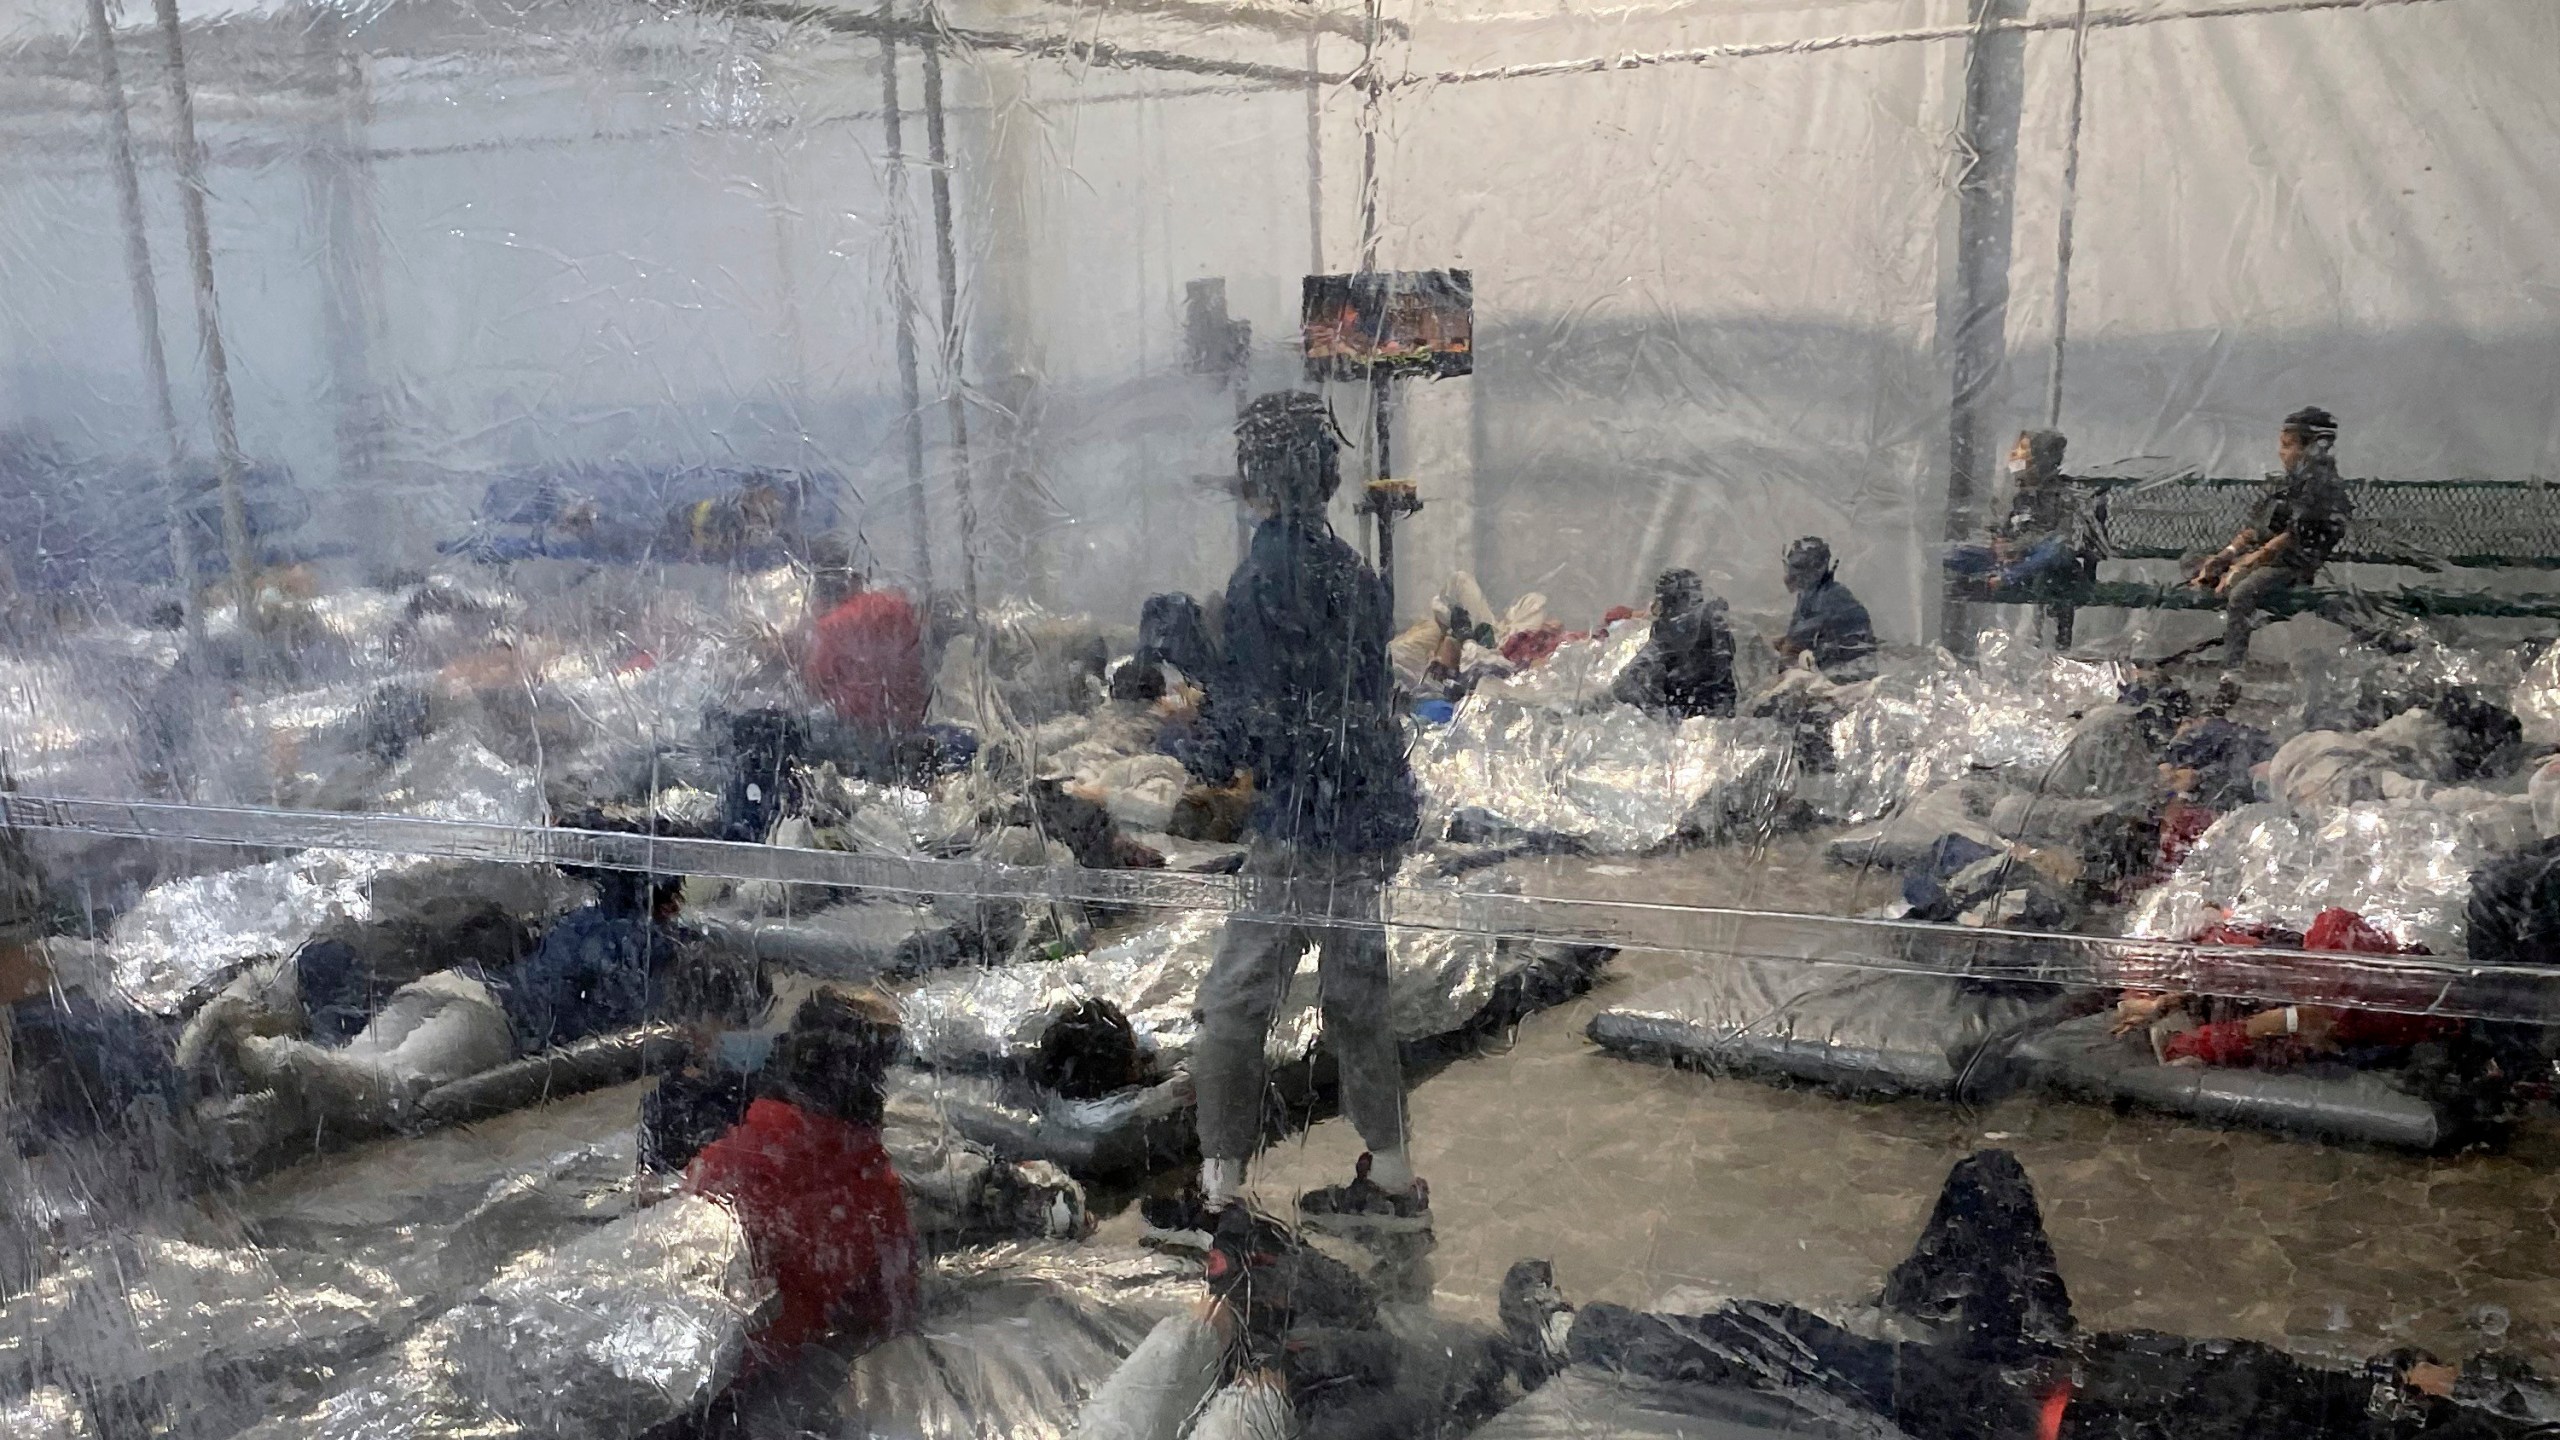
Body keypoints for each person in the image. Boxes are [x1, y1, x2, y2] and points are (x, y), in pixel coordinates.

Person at [1527, 1149, 2541, 1440]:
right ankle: (1907, 1311)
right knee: (1990, 1177)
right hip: (2065, 1361)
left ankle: (1566, 1332)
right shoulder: (2393, 1405)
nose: (2433, 1373)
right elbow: (2425, 1377)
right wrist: (2397, 1383)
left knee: (1771, 1340)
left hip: (2015, 1414)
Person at [1165, 390, 1427, 1240]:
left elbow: (1252, 721)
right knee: (1358, 996)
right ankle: (1390, 1176)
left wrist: (1191, 748)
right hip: (1363, 814)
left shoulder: (1263, 575)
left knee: (1235, 1003)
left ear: (1256, 475)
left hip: (1303, 821)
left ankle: (1220, 1193)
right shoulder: (1352, 569)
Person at [233, 872, 700, 1131]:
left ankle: (259, 1102)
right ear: (668, 903)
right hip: (495, 1021)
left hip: (458, 983)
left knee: (353, 1066)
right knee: (389, 1086)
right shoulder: (640, 947)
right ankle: (280, 1062)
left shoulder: (579, 920)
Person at [684, 988, 919, 1366]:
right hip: (784, 1383)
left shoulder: (722, 1159)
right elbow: (889, 1314)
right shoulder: (871, 1195)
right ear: (874, 1083)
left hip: (700, 1372)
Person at [2191, 406, 2353, 669]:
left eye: (2288, 445)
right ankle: (2219, 580)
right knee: (2195, 562)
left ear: (2311, 448)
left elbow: (2291, 536)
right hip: (2263, 559)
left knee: (2241, 596)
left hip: (2289, 567)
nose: (2281, 452)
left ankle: (2232, 674)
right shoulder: (2286, 483)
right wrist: (2225, 556)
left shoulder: (2320, 487)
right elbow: (2257, 529)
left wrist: (2243, 566)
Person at [801, 546, 929, 752]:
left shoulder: (830, 627)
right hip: (911, 717)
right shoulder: (896, 604)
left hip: (863, 730)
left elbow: (815, 684)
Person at [1945, 430, 2081, 593]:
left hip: (2038, 559)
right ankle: (1995, 578)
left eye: (2022, 453)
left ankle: (2003, 580)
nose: (2014, 457)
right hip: (2008, 557)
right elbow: (1996, 524)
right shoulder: (2011, 491)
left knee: (2057, 549)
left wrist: (2019, 547)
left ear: (2040, 460)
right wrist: (1999, 543)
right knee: (1953, 553)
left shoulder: (2062, 494)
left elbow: (2065, 535)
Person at [1612, 568, 1736, 719]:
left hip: (1687, 710)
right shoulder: (1714, 620)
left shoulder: (1673, 630)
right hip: (1715, 704)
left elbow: (1631, 679)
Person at [1774, 535, 1878, 676]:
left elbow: (1798, 643)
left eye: (1798, 567)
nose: (1790, 575)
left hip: (1842, 680)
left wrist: (1790, 648)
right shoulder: (1808, 596)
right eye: (1789, 566)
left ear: (1816, 568)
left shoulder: (1832, 597)